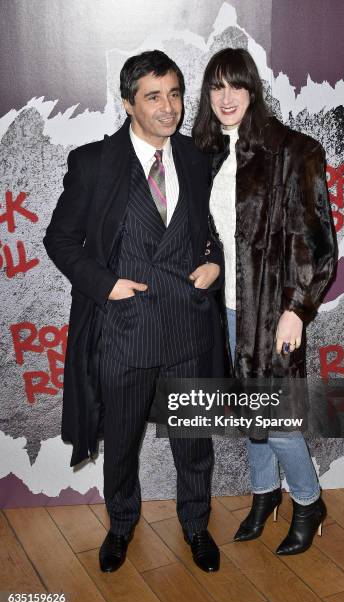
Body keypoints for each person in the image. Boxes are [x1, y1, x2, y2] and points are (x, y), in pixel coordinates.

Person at [44, 50, 223, 573]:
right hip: (125, 332)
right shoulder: (94, 163)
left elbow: (213, 232)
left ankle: (195, 525)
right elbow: (60, 239)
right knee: (120, 445)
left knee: (194, 445)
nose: (169, 108)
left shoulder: (196, 157)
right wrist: (104, 285)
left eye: (175, 94)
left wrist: (214, 263)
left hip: (189, 329)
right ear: (128, 104)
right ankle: (121, 526)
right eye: (153, 97)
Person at [193, 48, 336, 555]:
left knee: (273, 419)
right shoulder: (203, 152)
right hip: (221, 308)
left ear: (252, 90)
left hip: (272, 310)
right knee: (247, 413)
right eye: (216, 87)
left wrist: (297, 308)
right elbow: (206, 233)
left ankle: (308, 500)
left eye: (236, 85)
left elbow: (315, 241)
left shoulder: (293, 151)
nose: (226, 98)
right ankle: (262, 495)